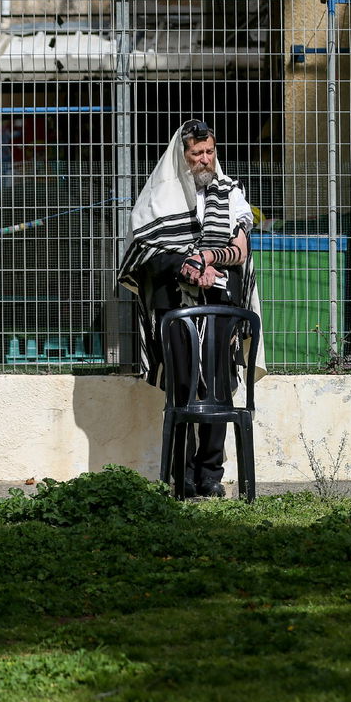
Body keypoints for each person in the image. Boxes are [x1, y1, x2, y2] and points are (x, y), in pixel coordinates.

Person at [118, 119, 264, 497]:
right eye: (197, 153)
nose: (205, 160)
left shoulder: (231, 193)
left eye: (210, 152)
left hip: (220, 304)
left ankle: (210, 475)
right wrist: (182, 264)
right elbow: (144, 253)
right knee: (182, 389)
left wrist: (208, 257)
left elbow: (242, 248)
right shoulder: (158, 197)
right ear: (181, 157)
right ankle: (181, 475)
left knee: (217, 387)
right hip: (175, 308)